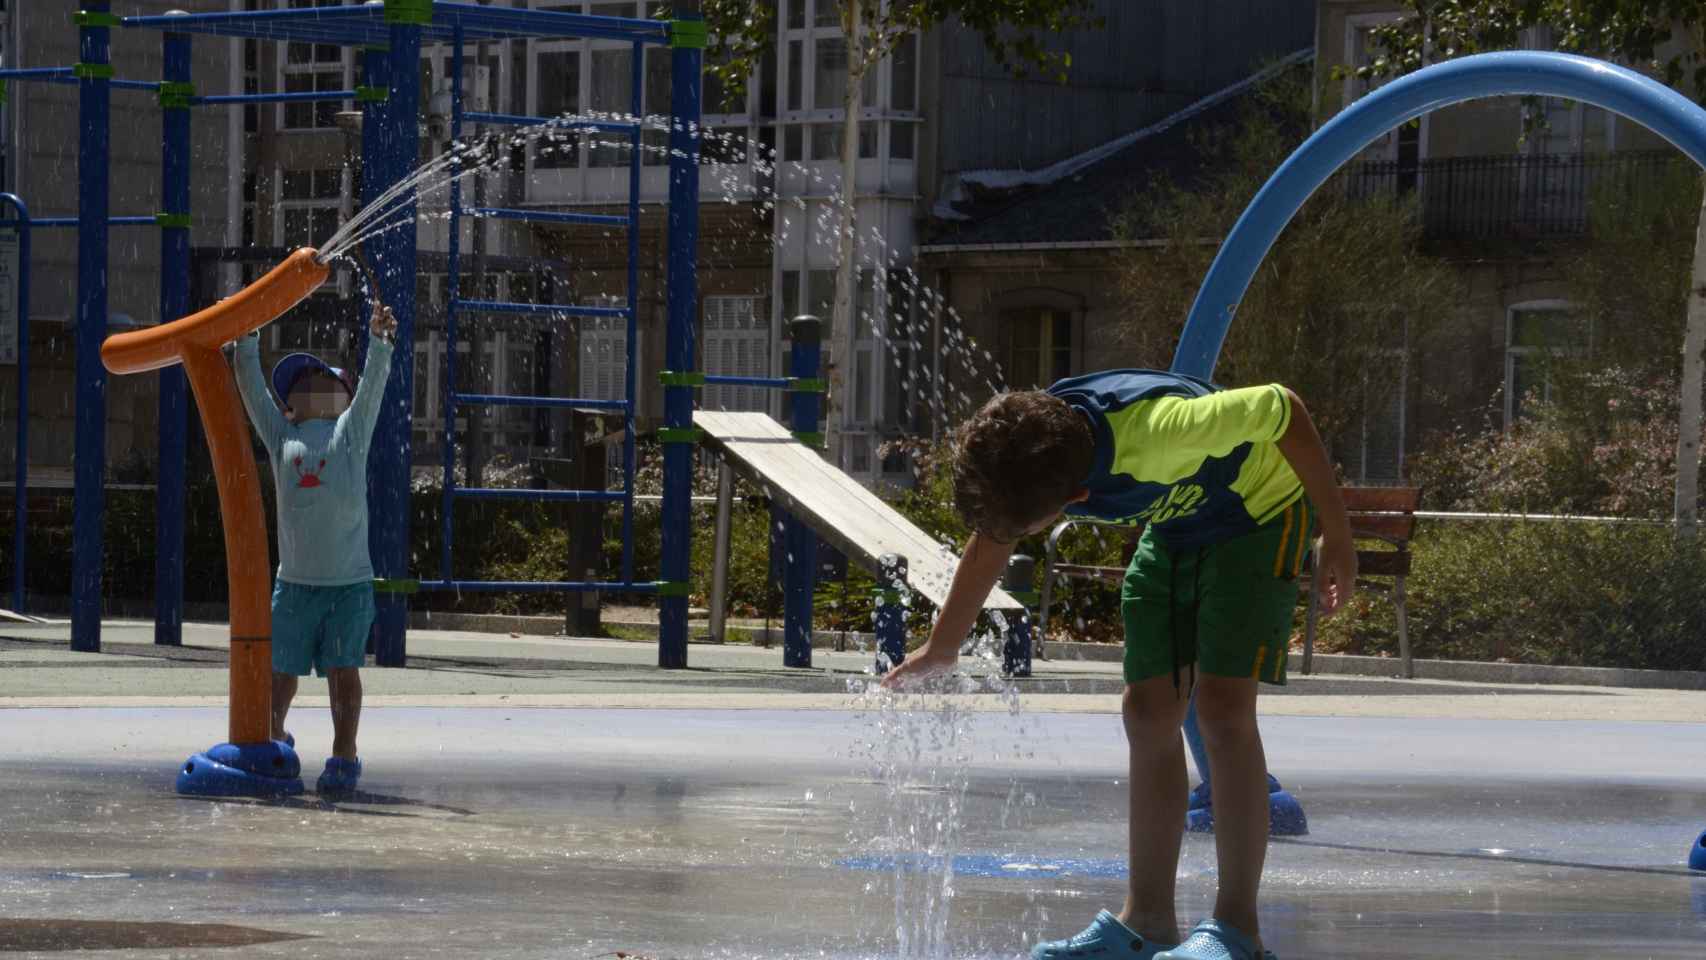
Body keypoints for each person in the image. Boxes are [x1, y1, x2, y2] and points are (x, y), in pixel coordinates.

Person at [881, 370, 1355, 960]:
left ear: (1078, 501)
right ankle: (1148, 922)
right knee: (1149, 711)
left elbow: (1283, 407)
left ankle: (1238, 931)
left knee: (1223, 710)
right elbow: (994, 538)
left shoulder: (1161, 431)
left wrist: (1337, 534)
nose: (1007, 538)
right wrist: (943, 647)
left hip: (1259, 516)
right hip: (1179, 527)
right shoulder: (1028, 446)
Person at [230, 293, 396, 797]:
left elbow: (372, 391)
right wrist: (246, 334)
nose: (305, 388)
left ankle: (344, 753)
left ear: (342, 395)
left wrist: (381, 340)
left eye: (318, 379)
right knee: (279, 672)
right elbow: (252, 389)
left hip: (348, 585)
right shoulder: (281, 435)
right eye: (297, 385)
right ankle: (273, 737)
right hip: (295, 585)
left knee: (343, 672)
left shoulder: (350, 433)